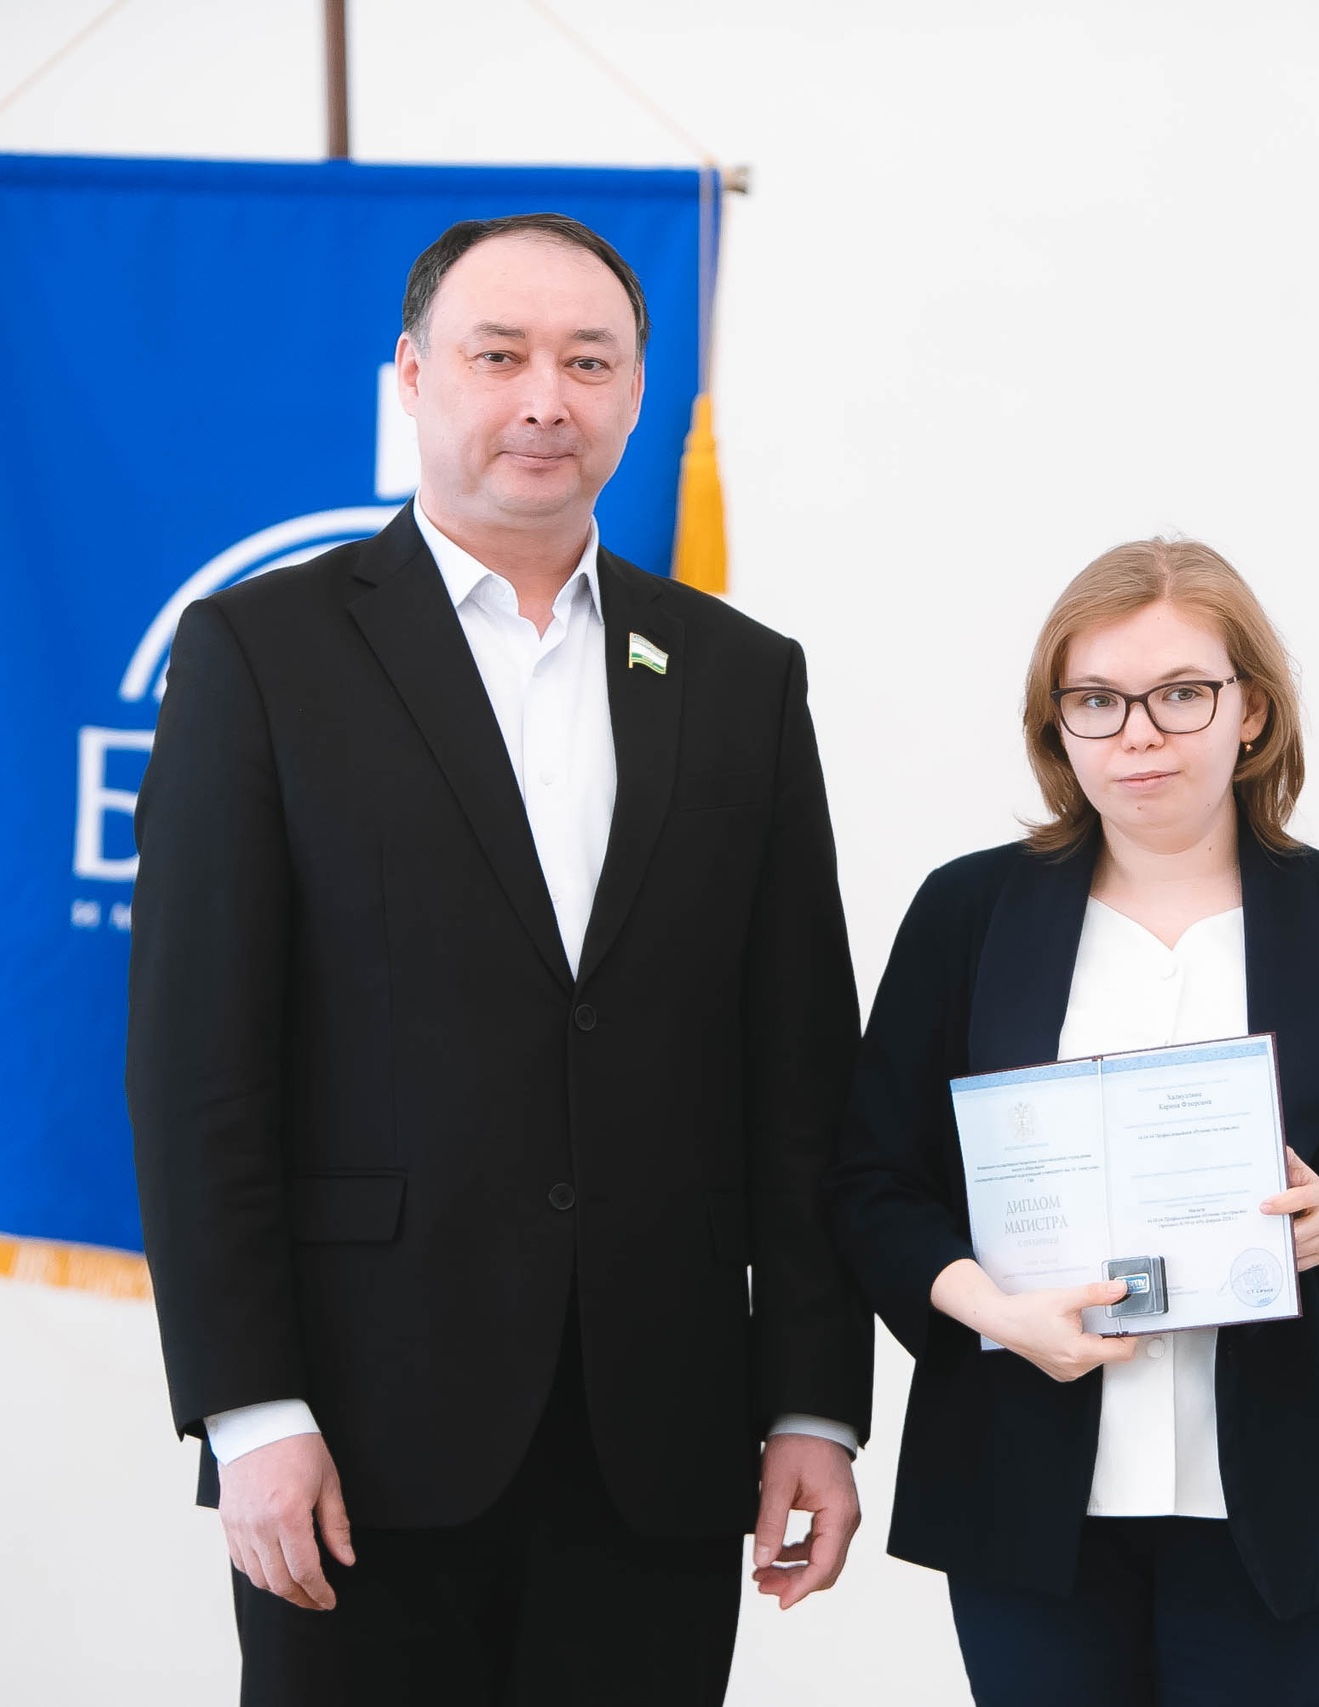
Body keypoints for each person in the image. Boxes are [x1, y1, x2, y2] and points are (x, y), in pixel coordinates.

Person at [127, 212, 871, 1705]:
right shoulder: (262, 654)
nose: (546, 398)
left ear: (637, 393)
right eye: (500, 355)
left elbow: (801, 1071)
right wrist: (249, 1407)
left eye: (589, 362)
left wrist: (813, 1401)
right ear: (412, 376)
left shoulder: (737, 675)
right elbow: (197, 1068)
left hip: (658, 1435)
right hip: (357, 1432)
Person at [824, 538, 1319, 1705]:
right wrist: (992, 1309)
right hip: (1025, 1485)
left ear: (1251, 711)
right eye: (1097, 700)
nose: (1137, 734)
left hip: (1276, 1490)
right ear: (1057, 723)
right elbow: (874, 1180)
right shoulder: (968, 912)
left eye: (1181, 694)